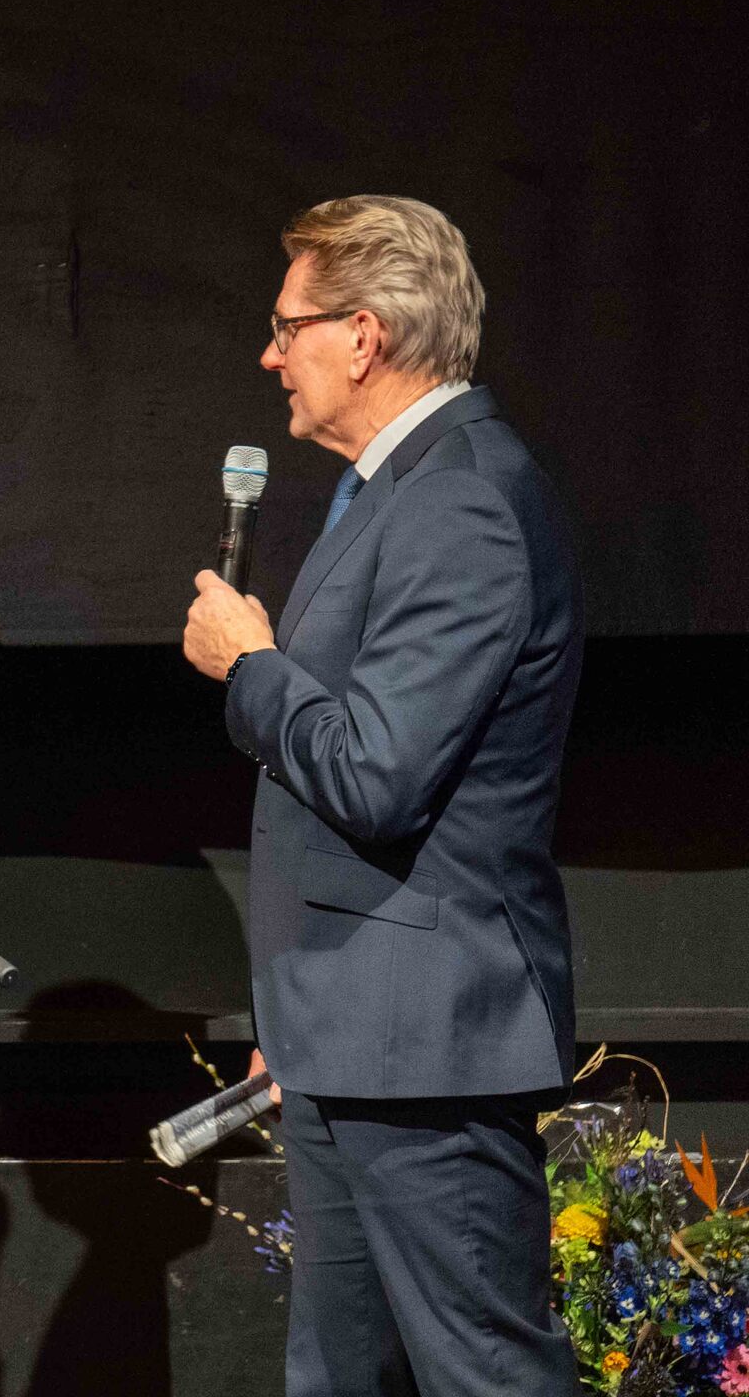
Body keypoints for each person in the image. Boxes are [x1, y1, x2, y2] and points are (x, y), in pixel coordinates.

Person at [184, 195, 582, 1396]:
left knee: (483, 1374)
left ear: (362, 335)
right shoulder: (394, 489)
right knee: (338, 1375)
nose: (269, 356)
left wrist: (250, 665)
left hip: (428, 1043)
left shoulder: (459, 498)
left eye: (285, 325)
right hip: (348, 1030)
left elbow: (375, 774)